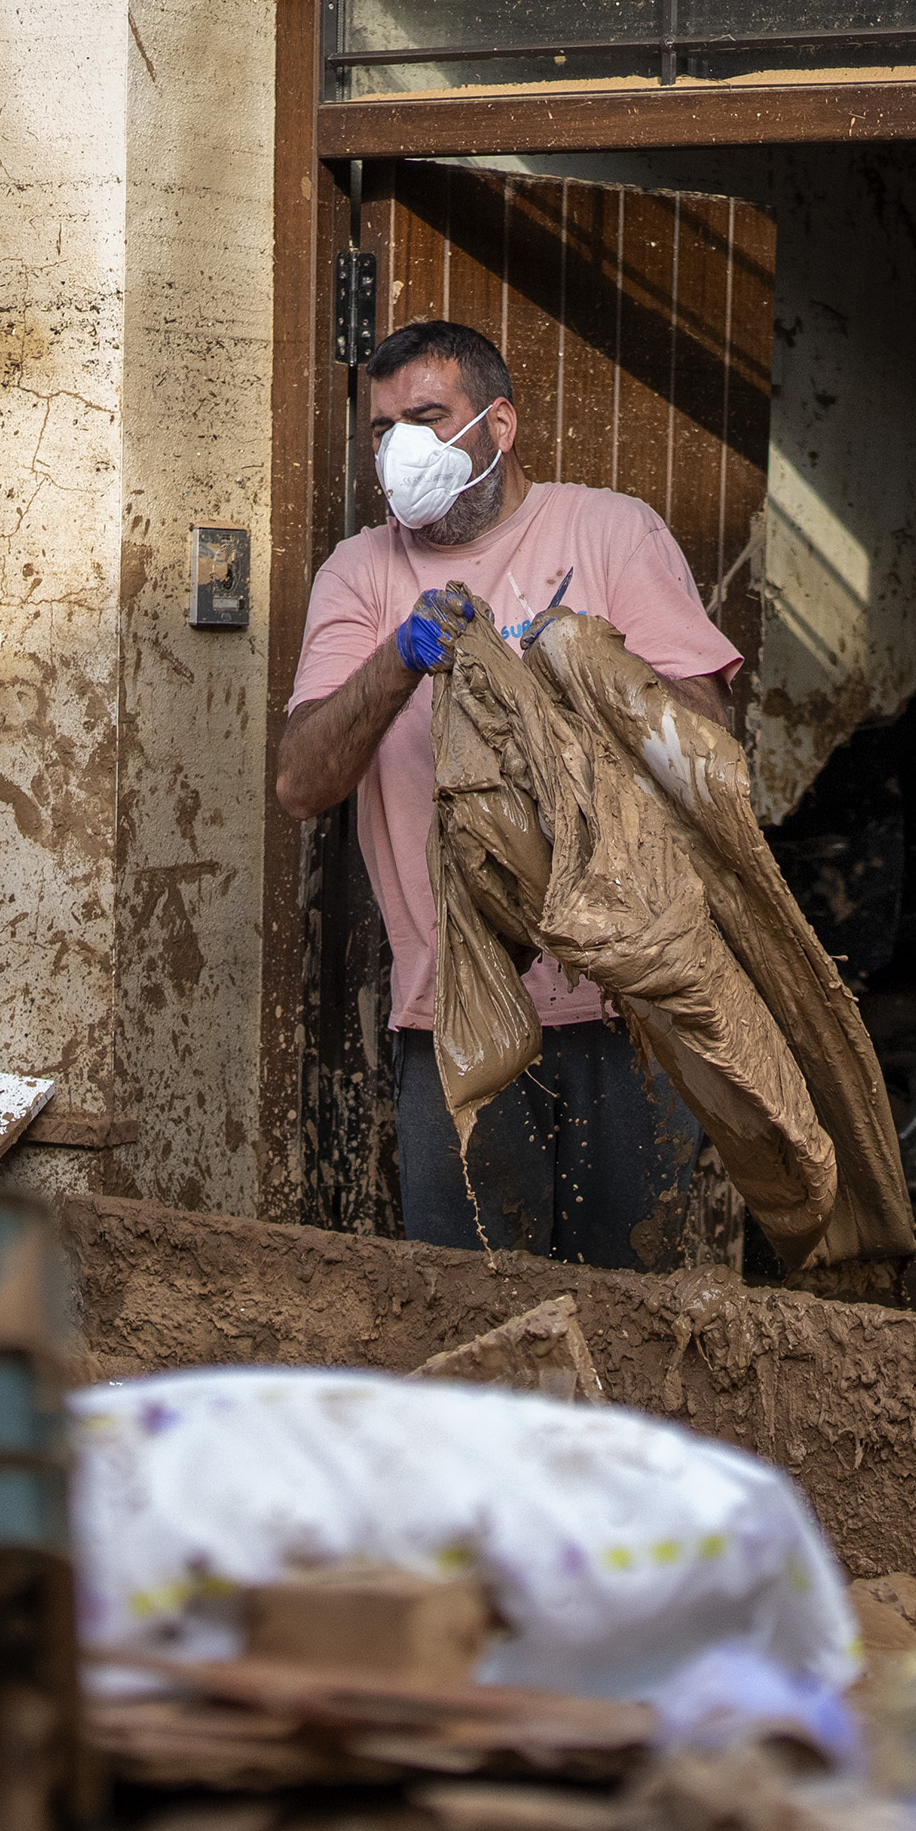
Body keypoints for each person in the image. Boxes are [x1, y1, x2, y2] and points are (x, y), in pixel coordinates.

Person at [274, 317, 745, 1268]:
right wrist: (400, 659)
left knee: (633, 1317)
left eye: (427, 417)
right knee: (471, 1313)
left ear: (499, 425)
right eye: (382, 429)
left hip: (631, 1010)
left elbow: (709, 744)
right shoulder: (361, 573)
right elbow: (300, 781)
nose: (400, 446)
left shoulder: (606, 532)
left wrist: (583, 670)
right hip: (453, 1021)